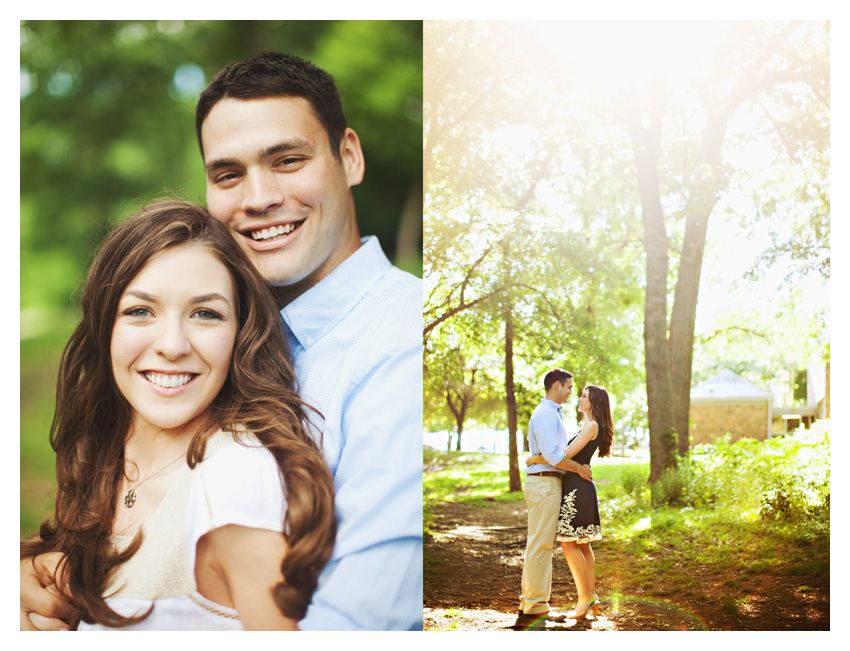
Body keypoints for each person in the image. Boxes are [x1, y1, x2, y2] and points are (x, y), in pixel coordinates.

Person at [21, 52, 422, 631]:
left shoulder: (405, 346)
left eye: (287, 159)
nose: (257, 197)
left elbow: (363, 626)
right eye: (228, 174)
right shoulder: (233, 342)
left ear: (349, 156)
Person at [21, 201, 336, 630]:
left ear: (240, 333)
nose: (172, 345)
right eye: (140, 311)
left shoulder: (236, 478)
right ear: (104, 325)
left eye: (205, 313)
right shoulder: (111, 452)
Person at [526, 384, 613, 619]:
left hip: (577, 488)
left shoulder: (591, 425)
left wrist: (535, 457)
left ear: (594, 402)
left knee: (569, 543)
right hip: (578, 486)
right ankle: (590, 596)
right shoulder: (587, 425)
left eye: (584, 396)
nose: (579, 398)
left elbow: (564, 455)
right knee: (582, 544)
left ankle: (585, 597)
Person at [518, 369, 593, 621]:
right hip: (544, 484)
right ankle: (536, 605)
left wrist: (535, 458)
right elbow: (554, 456)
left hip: (546, 483)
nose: (572, 392)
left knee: (538, 543)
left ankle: (531, 601)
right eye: (570, 387)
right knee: (541, 545)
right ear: (557, 385)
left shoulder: (551, 414)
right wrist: (580, 469)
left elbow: (553, 453)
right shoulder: (546, 415)